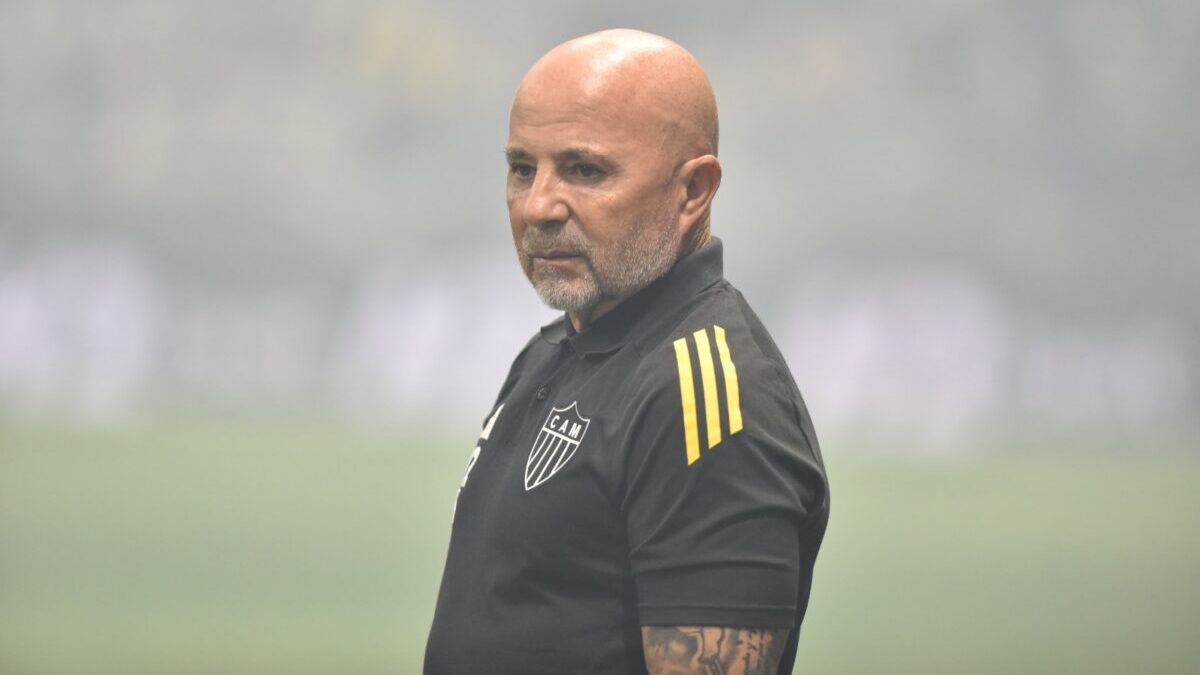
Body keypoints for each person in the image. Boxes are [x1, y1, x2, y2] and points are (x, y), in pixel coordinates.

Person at [424, 29, 829, 675]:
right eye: (522, 167)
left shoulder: (708, 400)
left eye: (586, 170)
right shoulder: (556, 348)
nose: (538, 206)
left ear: (692, 192)